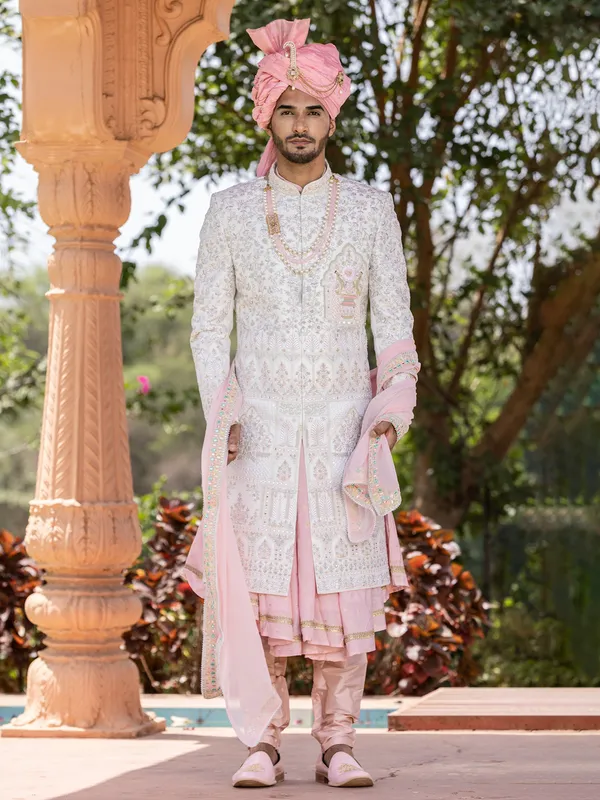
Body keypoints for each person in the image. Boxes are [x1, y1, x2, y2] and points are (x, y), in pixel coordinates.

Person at [184, 17, 420, 789]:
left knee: (341, 595)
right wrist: (225, 415)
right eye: (286, 109)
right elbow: (208, 329)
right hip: (259, 436)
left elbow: (395, 331)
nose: (299, 124)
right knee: (261, 592)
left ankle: (340, 743)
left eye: (313, 110)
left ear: (332, 116)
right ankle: (261, 741)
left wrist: (390, 409)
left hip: (344, 432)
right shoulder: (228, 213)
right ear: (266, 114)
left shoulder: (369, 210)